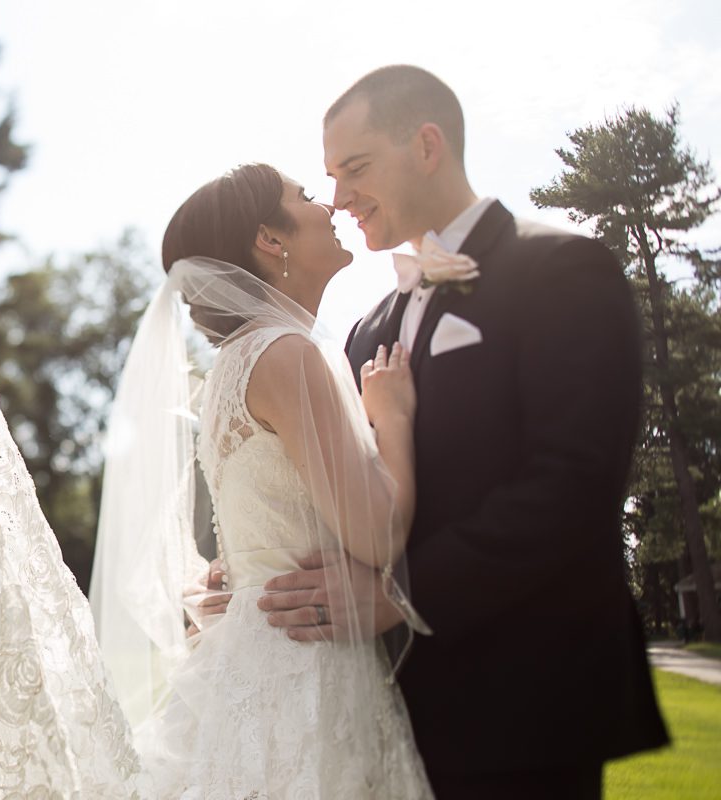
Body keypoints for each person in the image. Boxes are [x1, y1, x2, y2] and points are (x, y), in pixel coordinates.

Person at [258, 65, 669, 799]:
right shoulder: (363, 332)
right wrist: (262, 567)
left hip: (524, 703)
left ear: (426, 145)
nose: (341, 198)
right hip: (380, 709)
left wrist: (400, 597)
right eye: (330, 178)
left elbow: (573, 485)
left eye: (355, 169)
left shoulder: (566, 269)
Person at [90, 163, 434, 798]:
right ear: (269, 241)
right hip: (305, 668)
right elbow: (378, 533)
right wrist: (394, 419)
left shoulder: (233, 366)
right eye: (303, 196)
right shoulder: (288, 354)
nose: (327, 206)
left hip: (255, 654)